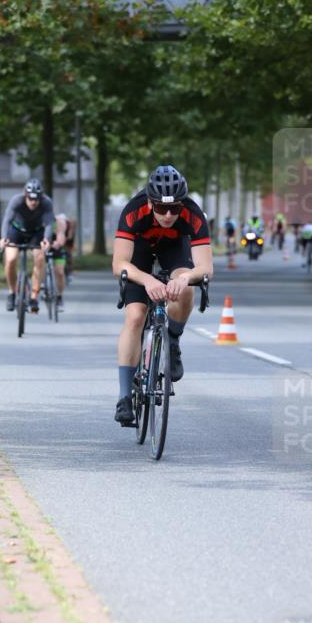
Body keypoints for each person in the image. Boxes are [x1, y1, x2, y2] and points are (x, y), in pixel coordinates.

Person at [111, 164, 213, 426]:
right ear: (149, 202)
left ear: (183, 205)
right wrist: (146, 280)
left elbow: (205, 268)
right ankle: (124, 397)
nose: (168, 215)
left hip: (174, 247)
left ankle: (173, 340)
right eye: (160, 208)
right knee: (135, 316)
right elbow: (119, 263)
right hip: (140, 253)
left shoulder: (193, 214)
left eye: (175, 208)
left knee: (186, 289)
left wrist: (183, 278)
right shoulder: (133, 211)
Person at [0, 178, 54, 313]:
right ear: (25, 195)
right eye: (31, 199)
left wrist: (47, 239)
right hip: (16, 230)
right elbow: (7, 220)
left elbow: (48, 224)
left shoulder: (46, 203)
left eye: (37, 199)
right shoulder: (16, 201)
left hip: (36, 232)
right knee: (11, 259)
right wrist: (4, 237)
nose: (34, 202)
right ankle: (12, 292)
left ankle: (34, 296)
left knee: (40, 258)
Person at [49, 212, 68, 308]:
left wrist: (58, 243)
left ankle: (59, 295)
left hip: (56, 247)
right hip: (42, 246)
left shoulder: (59, 221)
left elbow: (61, 235)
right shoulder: (38, 219)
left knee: (60, 272)